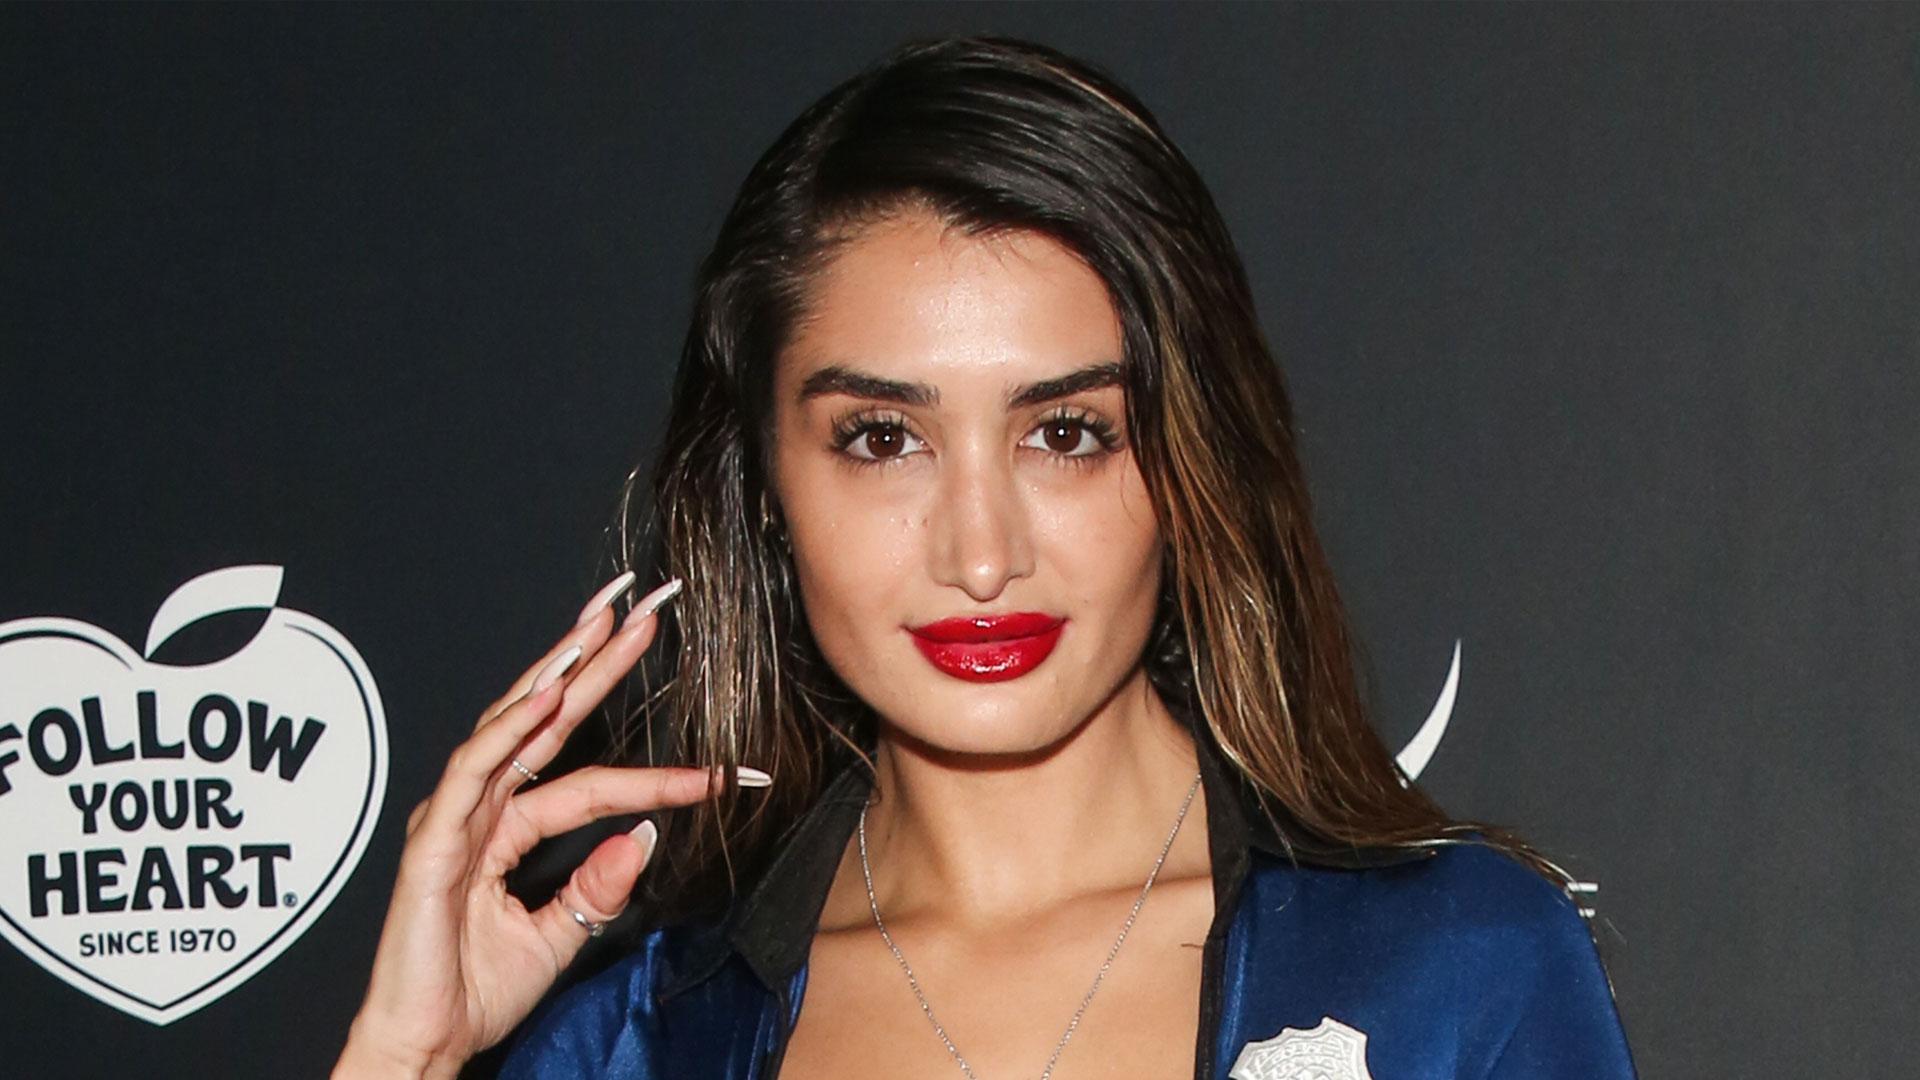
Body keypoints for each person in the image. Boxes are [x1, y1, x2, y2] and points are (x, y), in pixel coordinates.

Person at [331, 34, 1637, 1080]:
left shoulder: (1454, 973)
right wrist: (403, 1062)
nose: (980, 553)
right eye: (883, 439)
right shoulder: (636, 1047)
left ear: (1187, 462)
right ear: (767, 487)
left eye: (1064, 433)